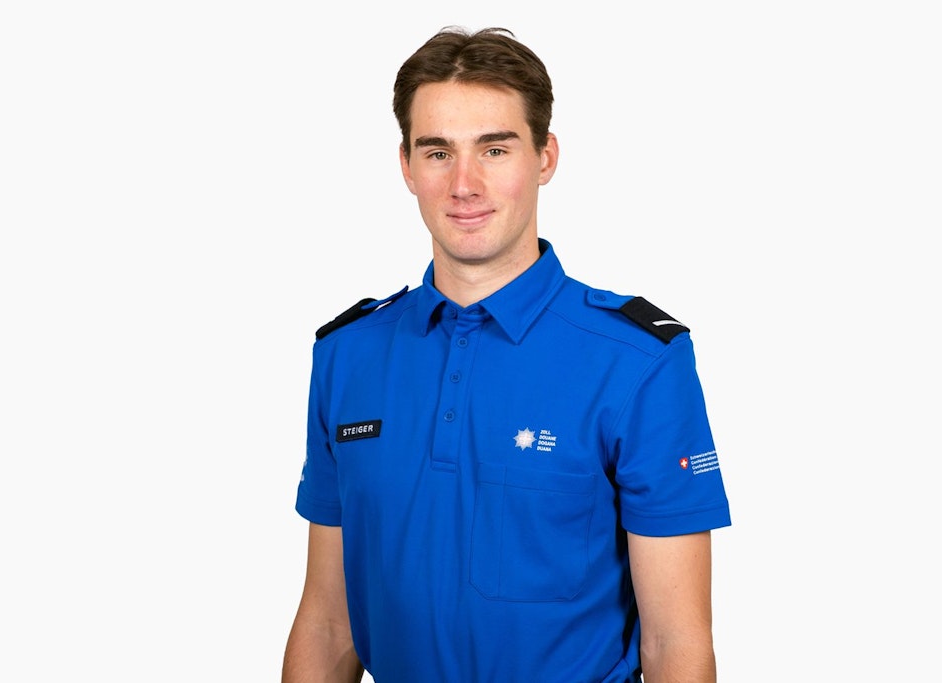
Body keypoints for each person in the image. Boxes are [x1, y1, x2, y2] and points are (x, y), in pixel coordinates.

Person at [282, 26, 731, 683]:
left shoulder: (640, 363)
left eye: (495, 149)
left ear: (545, 157)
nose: (464, 183)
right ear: (406, 165)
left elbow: (676, 645)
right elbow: (328, 622)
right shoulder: (348, 356)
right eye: (438, 153)